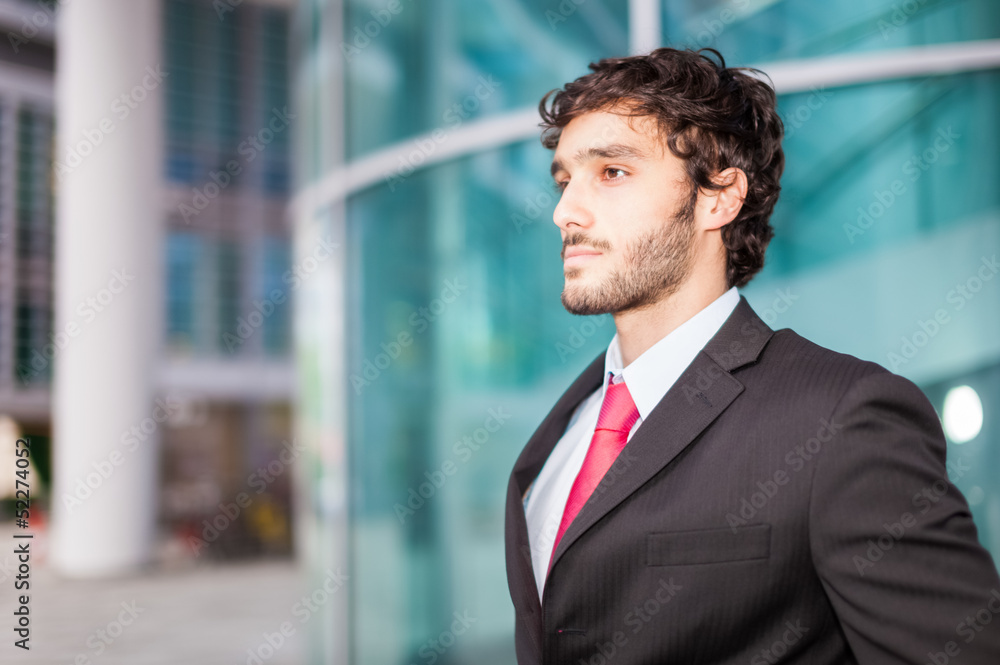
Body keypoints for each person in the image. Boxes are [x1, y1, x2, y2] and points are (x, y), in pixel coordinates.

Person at [503, 46, 1000, 665]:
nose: (565, 212)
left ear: (719, 196)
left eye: (612, 172)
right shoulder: (555, 441)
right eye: (563, 180)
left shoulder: (842, 418)